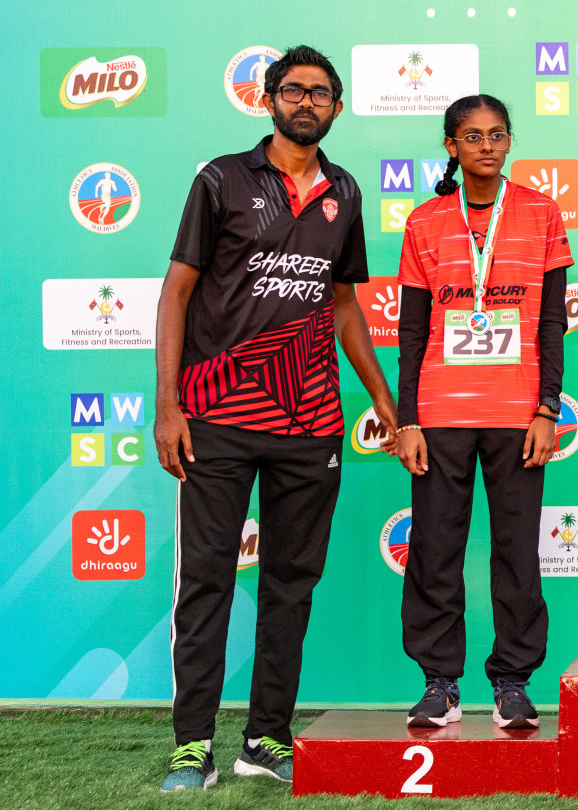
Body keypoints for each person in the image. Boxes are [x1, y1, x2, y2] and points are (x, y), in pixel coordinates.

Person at [153, 45, 398, 790]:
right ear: (268, 98)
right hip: (218, 415)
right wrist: (168, 404)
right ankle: (192, 743)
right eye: (293, 90)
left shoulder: (346, 192)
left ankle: (266, 738)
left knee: (291, 583)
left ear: (338, 105)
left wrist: (383, 397)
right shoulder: (221, 179)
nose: (306, 102)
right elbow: (177, 293)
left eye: (321, 93)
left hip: (312, 421)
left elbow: (346, 303)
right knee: (207, 582)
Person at [394, 95, 573, 730]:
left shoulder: (541, 213)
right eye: (472, 137)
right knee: (435, 550)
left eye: (498, 134)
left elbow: (552, 322)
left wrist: (548, 407)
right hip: (440, 414)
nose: (487, 146)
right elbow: (412, 332)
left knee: (517, 552)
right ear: (452, 146)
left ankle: (514, 683)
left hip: (517, 411)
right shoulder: (424, 223)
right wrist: (407, 420)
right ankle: (440, 683)